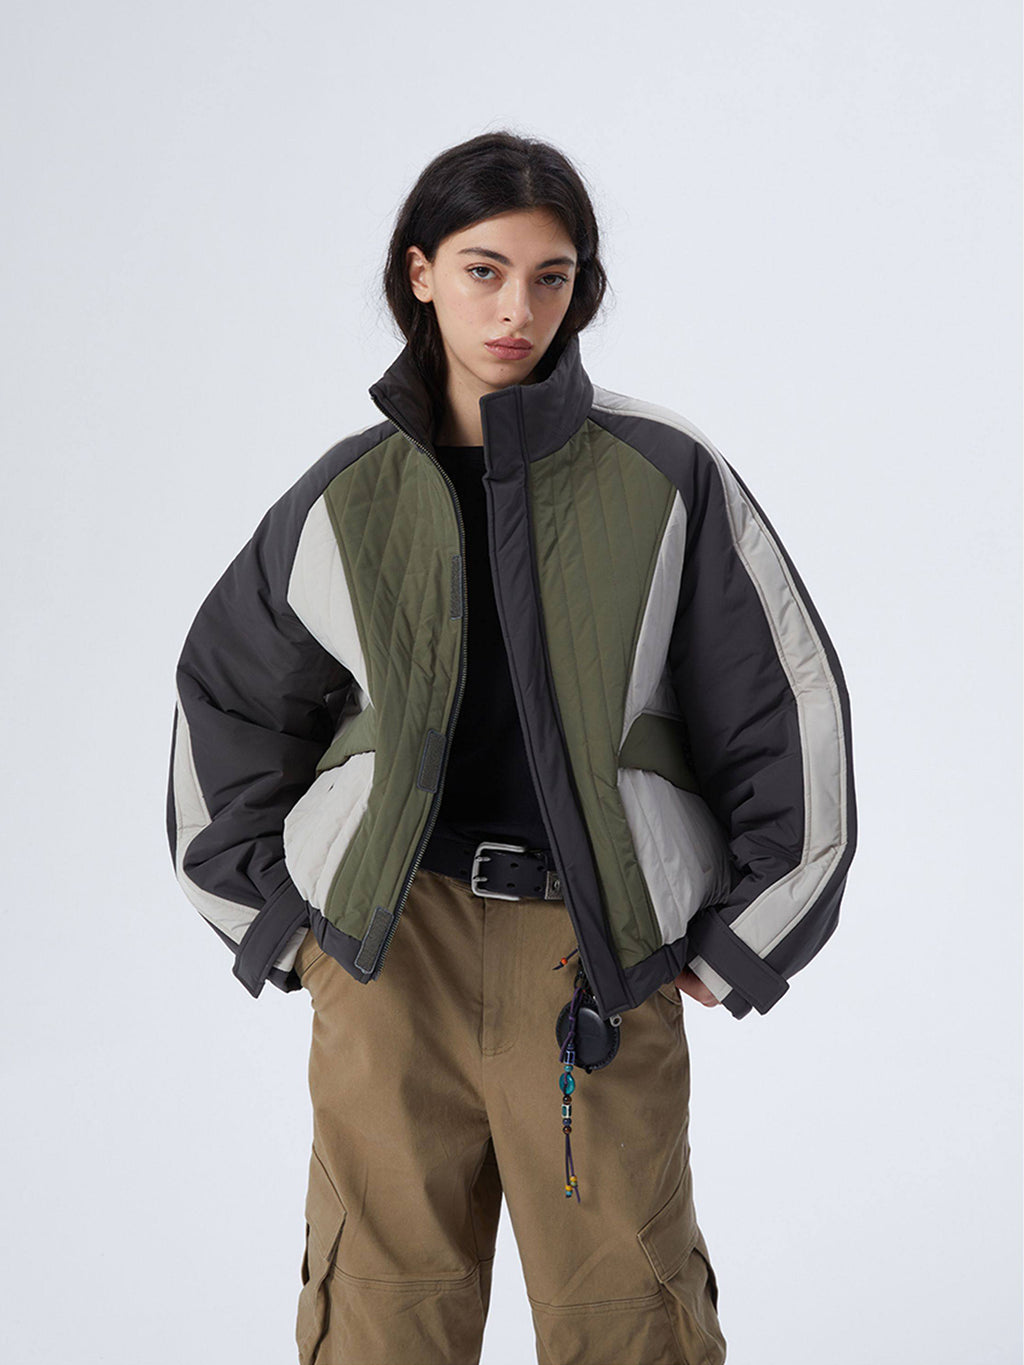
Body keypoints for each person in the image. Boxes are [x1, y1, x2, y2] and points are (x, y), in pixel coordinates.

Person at [166, 130, 857, 1365]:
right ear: (421, 273)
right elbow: (228, 700)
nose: (515, 310)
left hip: (591, 951)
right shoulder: (346, 494)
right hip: (390, 953)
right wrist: (283, 928)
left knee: (628, 1316)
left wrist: (743, 938)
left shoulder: (665, 474)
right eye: (483, 271)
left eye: (551, 277)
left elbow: (783, 709)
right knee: (378, 1317)